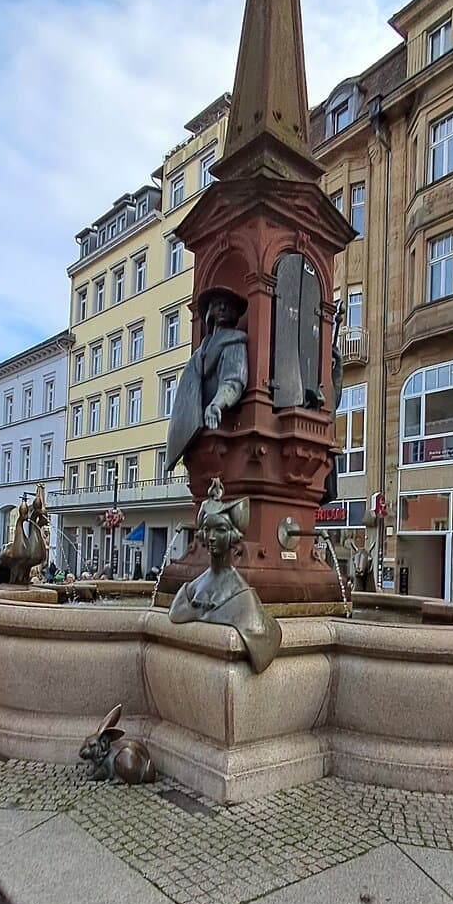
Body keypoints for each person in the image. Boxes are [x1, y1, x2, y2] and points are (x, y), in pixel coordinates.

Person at [168, 479, 281, 674]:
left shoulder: (242, 596)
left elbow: (261, 645)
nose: (211, 537)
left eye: (220, 530)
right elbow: (175, 614)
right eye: (207, 530)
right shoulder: (192, 588)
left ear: (233, 536)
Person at [164, 287, 249, 471]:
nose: (223, 308)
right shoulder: (199, 352)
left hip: (223, 426)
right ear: (210, 311)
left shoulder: (235, 343)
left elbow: (234, 381)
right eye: (218, 304)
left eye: (228, 305)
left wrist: (216, 404)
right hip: (202, 428)